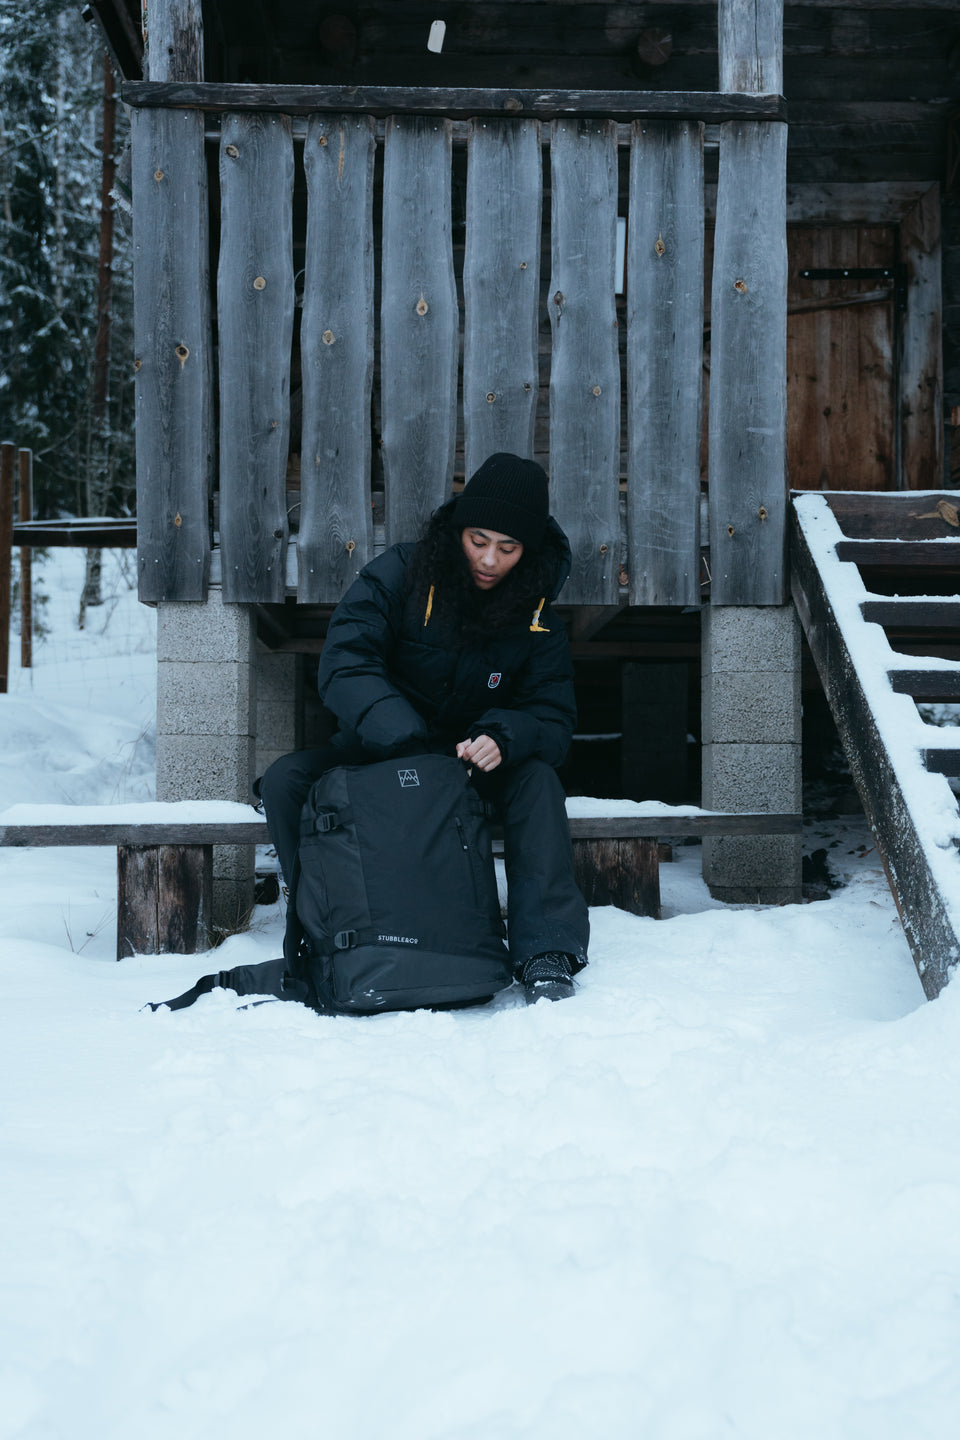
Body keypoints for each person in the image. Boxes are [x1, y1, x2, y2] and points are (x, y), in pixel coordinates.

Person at [258, 452, 589, 1003]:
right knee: (286, 780)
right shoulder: (399, 574)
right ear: (459, 530)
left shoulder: (538, 618)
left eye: (507, 549)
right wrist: (402, 736)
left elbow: (553, 717)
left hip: (468, 770)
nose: (489, 559)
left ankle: (545, 951)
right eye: (478, 540)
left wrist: (504, 737)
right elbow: (344, 663)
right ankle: (326, 933)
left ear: (526, 552)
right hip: (387, 752)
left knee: (538, 782)